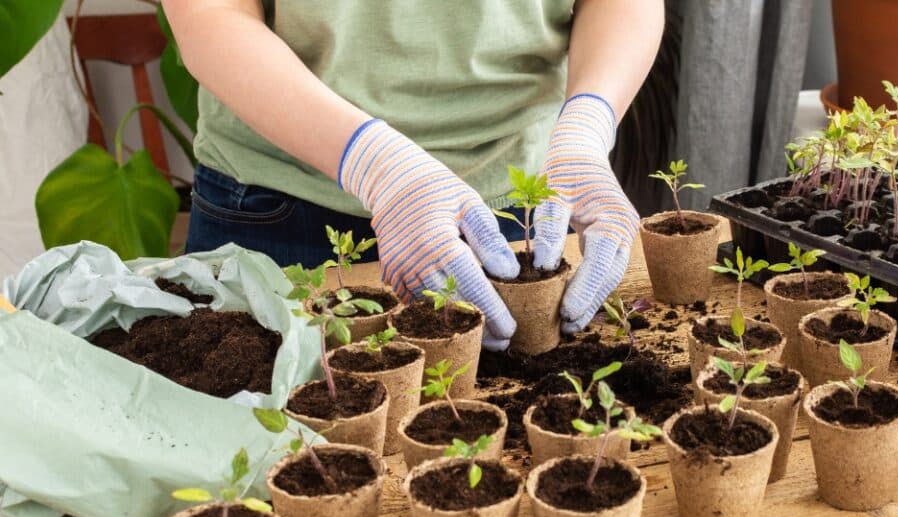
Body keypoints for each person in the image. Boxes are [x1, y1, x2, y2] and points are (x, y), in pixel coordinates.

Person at [163, 1, 664, 351]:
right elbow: (211, 12)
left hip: (512, 216)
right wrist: (377, 165)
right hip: (279, 206)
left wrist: (586, 126)